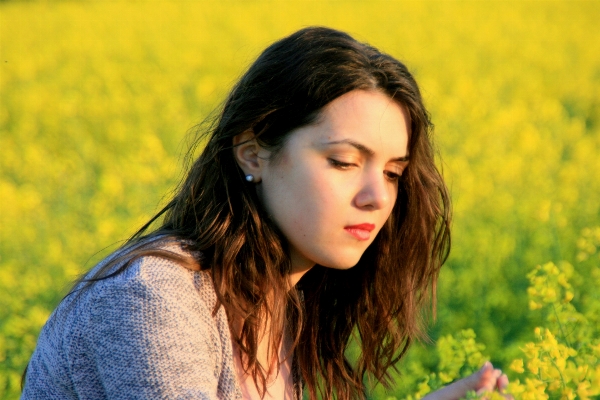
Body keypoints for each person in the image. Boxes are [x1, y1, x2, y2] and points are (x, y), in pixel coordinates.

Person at [21, 27, 510, 400]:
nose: (376, 197)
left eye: (392, 173)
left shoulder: (286, 307)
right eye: (343, 161)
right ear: (253, 153)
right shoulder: (153, 298)